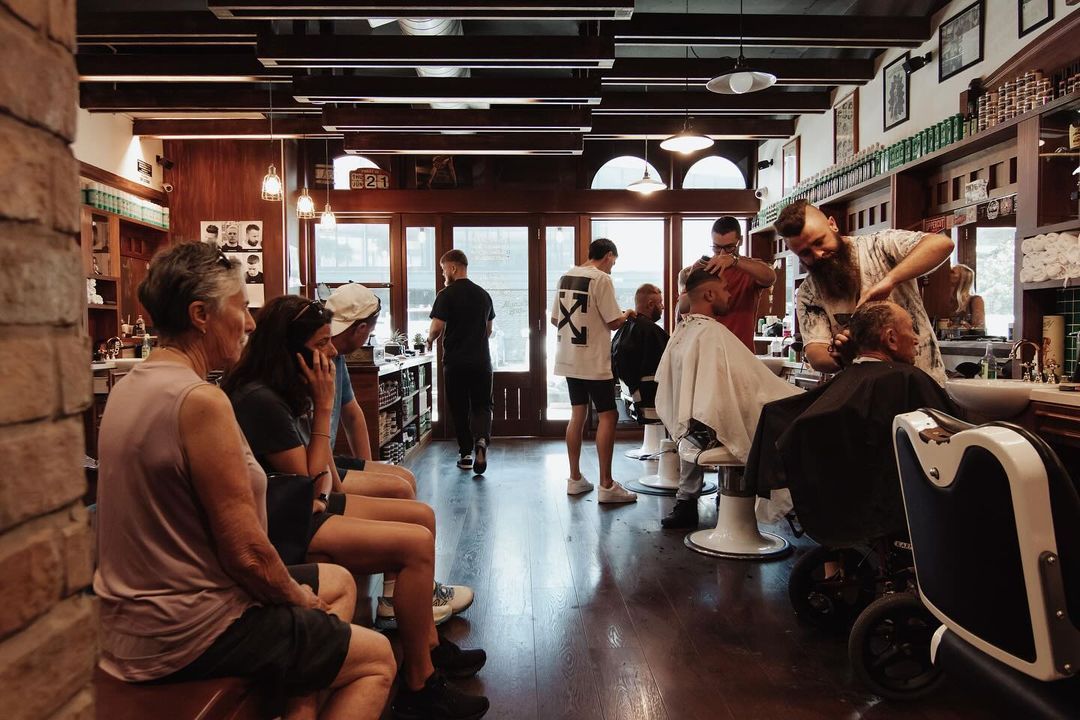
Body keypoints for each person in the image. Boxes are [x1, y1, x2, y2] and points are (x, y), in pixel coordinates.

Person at [94, 241, 395, 720]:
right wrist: (298, 599)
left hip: (130, 624)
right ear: (200, 314)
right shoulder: (199, 400)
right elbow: (248, 555)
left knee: (336, 583)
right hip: (189, 630)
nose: (250, 323)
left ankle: (301, 702)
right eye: (239, 307)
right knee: (377, 658)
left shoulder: (131, 384)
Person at [223, 295, 489, 720]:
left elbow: (317, 479)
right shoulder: (261, 400)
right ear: (290, 349)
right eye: (320, 343)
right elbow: (308, 486)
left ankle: (429, 650)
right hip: (287, 523)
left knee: (421, 518)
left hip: (299, 510)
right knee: (417, 542)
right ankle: (421, 681)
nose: (330, 352)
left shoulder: (276, 389)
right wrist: (322, 405)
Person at [744, 301, 958, 546]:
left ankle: (836, 564)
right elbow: (952, 434)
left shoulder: (855, 378)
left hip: (836, 502)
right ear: (890, 338)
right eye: (911, 329)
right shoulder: (906, 379)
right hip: (888, 502)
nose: (918, 339)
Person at [655, 269, 802, 528]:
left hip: (693, 432)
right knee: (793, 416)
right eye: (725, 289)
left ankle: (705, 501)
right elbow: (745, 390)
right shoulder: (709, 333)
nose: (730, 294)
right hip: (709, 431)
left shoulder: (685, 331)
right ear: (710, 294)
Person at [774, 199, 952, 384]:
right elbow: (816, 354)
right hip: (866, 392)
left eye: (819, 242)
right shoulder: (809, 292)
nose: (818, 254)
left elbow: (941, 244)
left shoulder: (879, 246)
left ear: (832, 225)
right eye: (805, 253)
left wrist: (889, 281)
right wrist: (844, 354)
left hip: (923, 381)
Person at [550, 238, 638, 503]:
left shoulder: (566, 276)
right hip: (593, 359)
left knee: (577, 413)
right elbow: (613, 321)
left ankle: (575, 479)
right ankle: (606, 485)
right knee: (608, 416)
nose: (612, 267)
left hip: (568, 357)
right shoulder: (601, 279)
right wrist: (628, 313)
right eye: (614, 261)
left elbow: (556, 319)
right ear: (608, 256)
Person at [325, 283, 420, 500]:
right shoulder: (322, 357)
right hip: (313, 468)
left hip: (326, 460)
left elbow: (352, 415)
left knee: (406, 478)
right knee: (400, 488)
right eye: (370, 333)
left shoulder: (337, 357)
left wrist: (368, 467)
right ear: (360, 329)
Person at [427, 250, 495, 475]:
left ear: (453, 268)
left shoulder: (446, 295)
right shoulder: (483, 295)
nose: (443, 273)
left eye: (443, 268)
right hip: (481, 362)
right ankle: (482, 441)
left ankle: (466, 454)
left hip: (455, 362)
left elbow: (436, 328)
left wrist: (428, 340)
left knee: (459, 407)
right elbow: (489, 330)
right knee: (482, 405)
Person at [697, 216, 777, 351]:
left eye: (729, 248)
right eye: (716, 248)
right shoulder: (702, 267)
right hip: (709, 351)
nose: (722, 253)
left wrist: (734, 260)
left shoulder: (750, 268)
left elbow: (770, 277)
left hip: (741, 353)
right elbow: (684, 307)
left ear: (740, 241)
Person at [611, 283, 669, 423]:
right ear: (650, 304)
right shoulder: (650, 331)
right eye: (660, 302)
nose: (662, 307)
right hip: (649, 396)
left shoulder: (625, 328)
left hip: (634, 394)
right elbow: (670, 361)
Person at [947, 263, 985, 331]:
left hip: (969, 340)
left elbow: (980, 329)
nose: (947, 273)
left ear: (963, 279)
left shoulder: (975, 300)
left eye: (952, 272)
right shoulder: (943, 300)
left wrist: (968, 328)